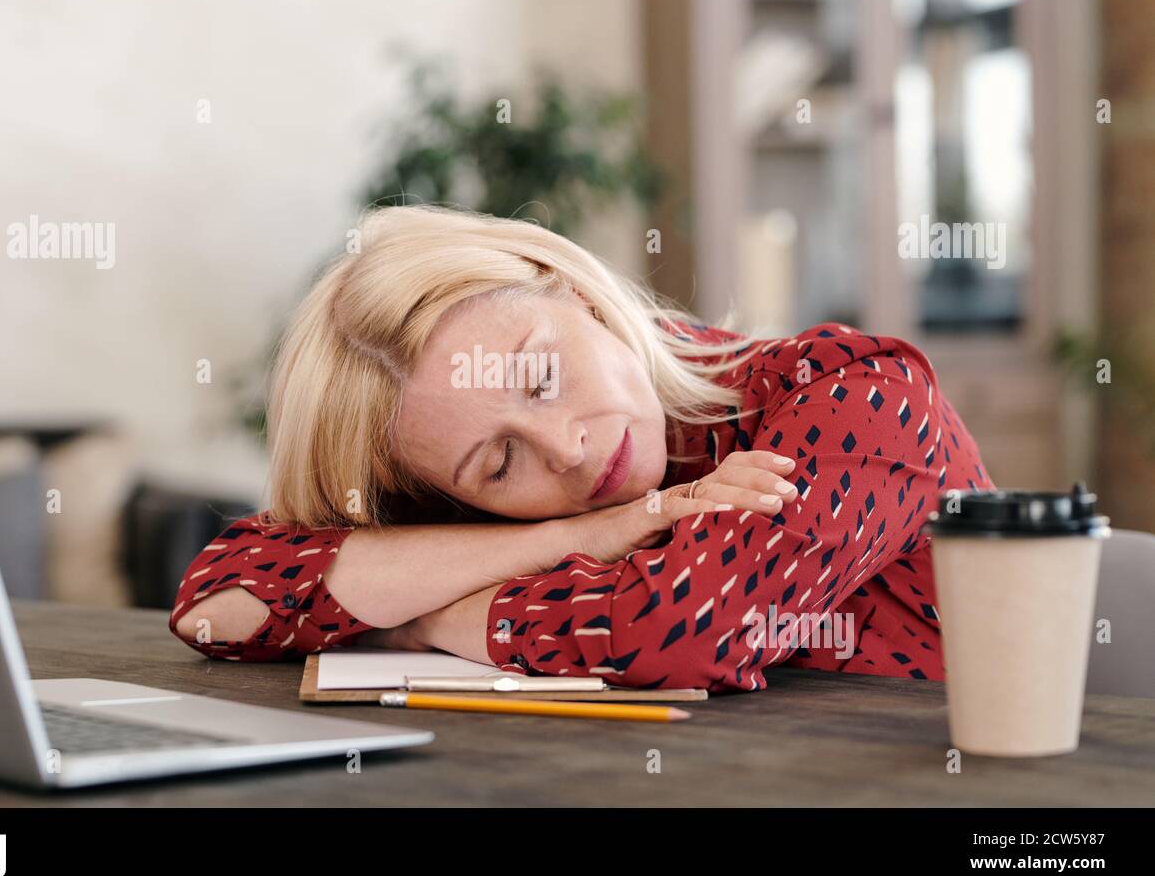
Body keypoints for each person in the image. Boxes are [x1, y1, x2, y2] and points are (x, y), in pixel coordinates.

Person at [170, 204, 994, 693]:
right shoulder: (525, 513)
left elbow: (675, 629)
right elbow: (219, 599)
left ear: (577, 295)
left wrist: (416, 620)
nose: (564, 449)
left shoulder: (858, 393)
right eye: (499, 465)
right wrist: (581, 535)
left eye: (540, 377)